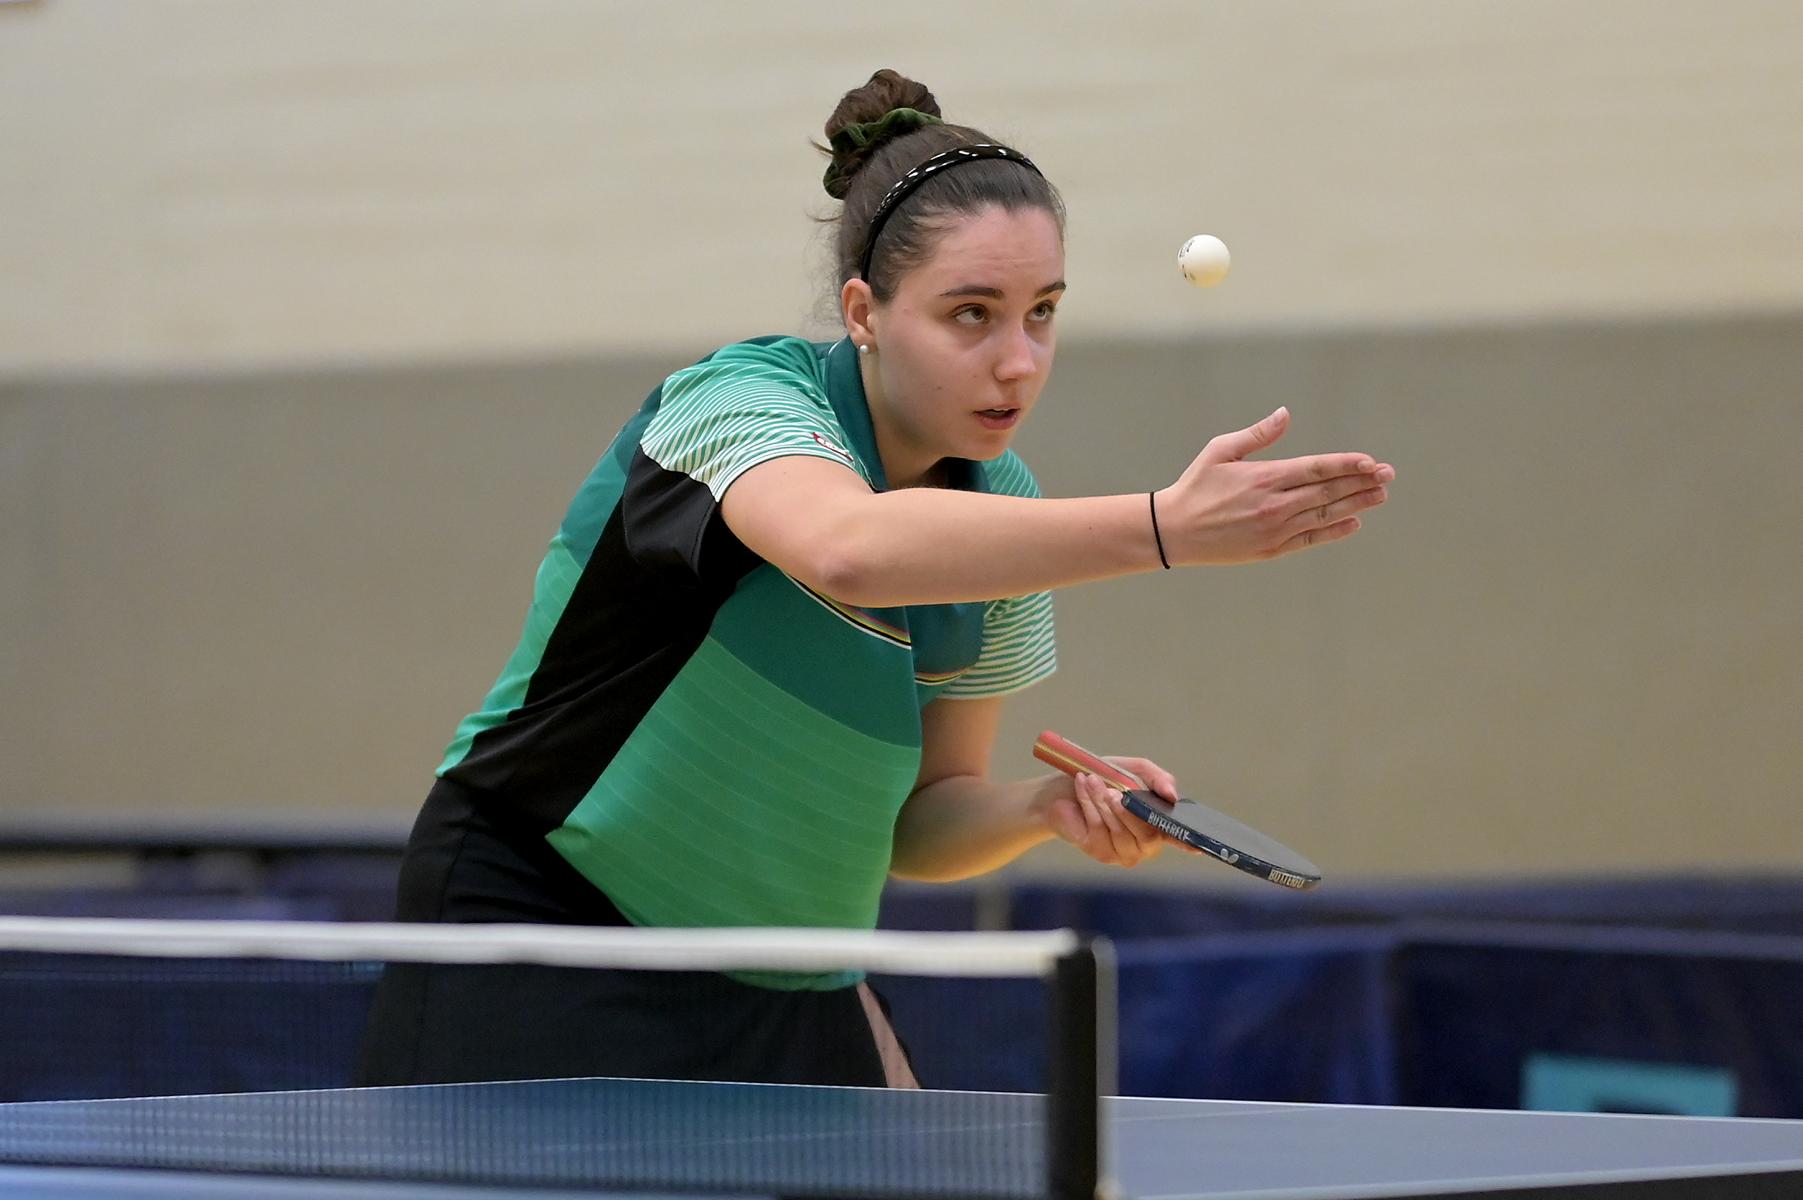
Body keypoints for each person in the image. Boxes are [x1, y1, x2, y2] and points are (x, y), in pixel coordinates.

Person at [357, 69, 1394, 1092]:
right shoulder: (736, 403)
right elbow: (845, 547)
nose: (1019, 360)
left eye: (1042, 312)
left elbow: (922, 823)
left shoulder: (1002, 514)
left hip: (791, 968)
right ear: (863, 311)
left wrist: (1042, 806)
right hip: (552, 922)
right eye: (971, 314)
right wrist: (1164, 527)